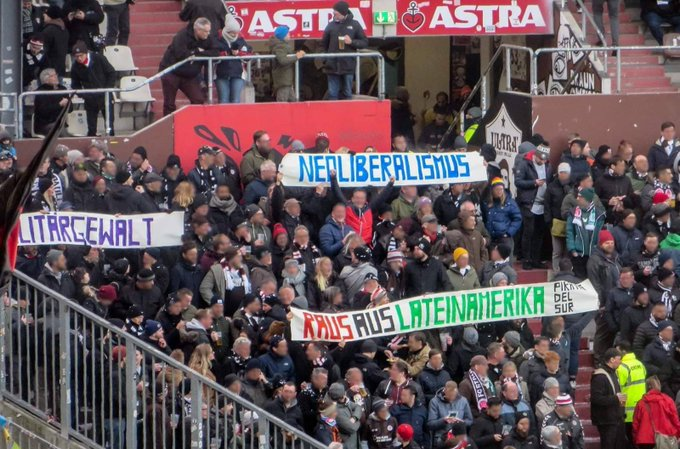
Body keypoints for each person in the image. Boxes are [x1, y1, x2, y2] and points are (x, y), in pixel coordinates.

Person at [159, 17, 219, 116]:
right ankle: (170, 123)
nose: (208, 34)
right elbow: (180, 54)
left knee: (198, 99)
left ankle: (194, 121)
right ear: (198, 30)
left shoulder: (208, 39)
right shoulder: (181, 36)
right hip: (171, 71)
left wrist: (196, 54)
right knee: (169, 103)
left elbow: (215, 52)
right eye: (205, 31)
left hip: (190, 75)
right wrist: (197, 51)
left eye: (209, 31)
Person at [514, 142, 552, 270]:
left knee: (539, 233)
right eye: (540, 159)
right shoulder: (525, 163)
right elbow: (518, 182)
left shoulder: (548, 166)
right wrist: (534, 183)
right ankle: (526, 259)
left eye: (544, 159)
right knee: (528, 232)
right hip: (529, 203)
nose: (542, 161)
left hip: (542, 204)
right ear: (536, 155)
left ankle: (536, 259)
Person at [321, 1, 368, 100]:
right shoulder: (330, 25)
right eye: (334, 13)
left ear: (343, 13)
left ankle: (348, 110)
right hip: (332, 65)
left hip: (348, 65)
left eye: (336, 14)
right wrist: (325, 59)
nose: (334, 16)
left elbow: (364, 42)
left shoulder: (355, 24)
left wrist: (351, 42)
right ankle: (333, 110)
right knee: (332, 93)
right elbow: (323, 44)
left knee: (347, 92)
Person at [70, 41, 117, 136]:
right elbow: (75, 84)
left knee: (109, 125)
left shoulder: (99, 58)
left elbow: (112, 73)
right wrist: (84, 95)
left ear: (86, 53)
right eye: (76, 56)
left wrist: (107, 89)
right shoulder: (75, 67)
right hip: (90, 98)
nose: (79, 58)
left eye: (81, 55)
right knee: (91, 128)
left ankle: (111, 141)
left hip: (105, 96)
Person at [590, 348, 628, 448]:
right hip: (606, 420)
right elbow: (596, 398)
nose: (620, 362)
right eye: (619, 359)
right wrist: (616, 398)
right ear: (612, 359)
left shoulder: (613, 373)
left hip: (616, 418)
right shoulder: (600, 376)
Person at [632, 375, 680, 449]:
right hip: (666, 439)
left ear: (647, 387)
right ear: (659, 385)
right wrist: (678, 435)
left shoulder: (641, 403)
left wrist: (635, 440)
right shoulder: (668, 401)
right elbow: (675, 420)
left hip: (645, 440)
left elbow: (635, 425)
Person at [215, 14, 250, 104]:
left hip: (237, 73)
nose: (235, 34)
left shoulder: (241, 40)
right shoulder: (217, 39)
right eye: (232, 32)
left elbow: (248, 54)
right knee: (223, 100)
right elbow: (213, 53)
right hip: (221, 74)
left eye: (236, 32)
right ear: (227, 30)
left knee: (236, 101)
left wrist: (239, 53)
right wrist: (226, 53)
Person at [269, 26, 305, 102]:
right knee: (282, 103)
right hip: (283, 81)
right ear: (283, 36)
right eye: (288, 34)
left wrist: (297, 54)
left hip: (287, 80)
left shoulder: (283, 46)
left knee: (293, 102)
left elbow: (287, 56)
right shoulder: (279, 47)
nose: (289, 35)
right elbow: (282, 60)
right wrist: (297, 56)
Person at [33, 69, 69, 136]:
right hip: (45, 124)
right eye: (53, 76)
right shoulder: (41, 91)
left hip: (61, 123)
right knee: (58, 129)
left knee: (60, 129)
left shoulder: (62, 89)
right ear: (46, 79)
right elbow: (43, 111)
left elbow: (70, 109)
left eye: (56, 75)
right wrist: (59, 104)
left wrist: (67, 104)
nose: (56, 77)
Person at [42, 5, 69, 77]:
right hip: (60, 69)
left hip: (48, 71)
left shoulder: (48, 31)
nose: (44, 15)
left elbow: (43, 51)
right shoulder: (64, 29)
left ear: (50, 16)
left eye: (46, 14)